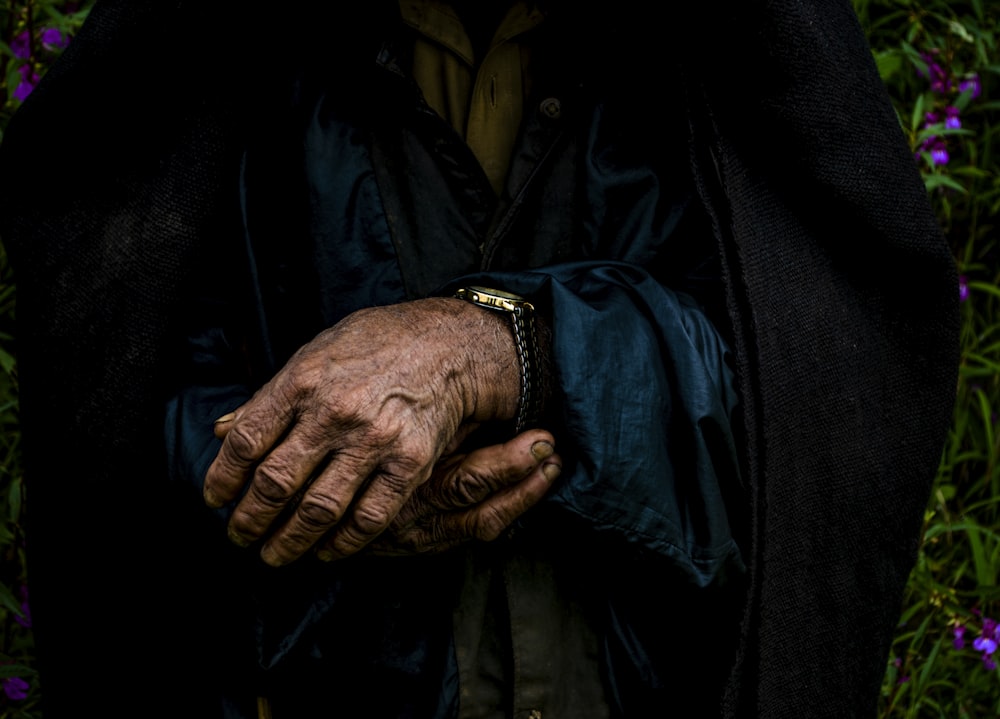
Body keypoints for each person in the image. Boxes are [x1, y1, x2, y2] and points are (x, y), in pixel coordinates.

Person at [0, 0, 960, 717]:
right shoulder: (230, 52)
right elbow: (115, 418)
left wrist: (505, 344)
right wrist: (310, 480)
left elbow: (824, 407)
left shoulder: (716, 48)